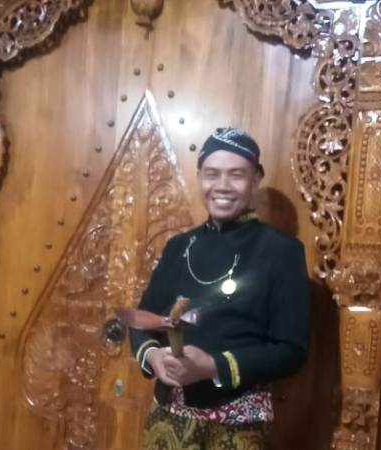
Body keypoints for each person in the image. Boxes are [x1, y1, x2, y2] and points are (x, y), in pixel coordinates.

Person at [130, 127, 310, 450]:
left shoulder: (282, 251)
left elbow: (291, 351)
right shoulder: (178, 246)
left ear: (255, 180)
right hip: (167, 417)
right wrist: (153, 356)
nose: (222, 186)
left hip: (238, 424)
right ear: (200, 177)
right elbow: (142, 321)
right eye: (212, 174)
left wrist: (213, 366)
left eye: (236, 175)